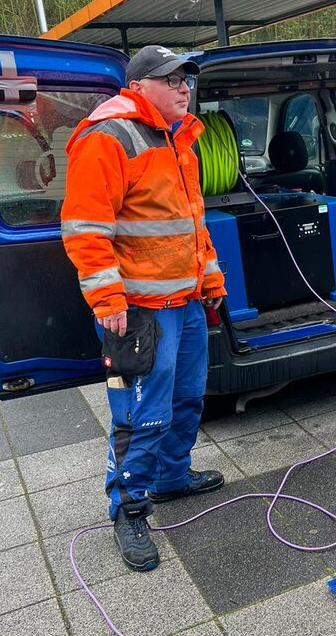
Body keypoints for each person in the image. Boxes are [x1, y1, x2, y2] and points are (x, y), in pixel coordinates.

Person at [62, 46, 228, 572]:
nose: (184, 88)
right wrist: (107, 299)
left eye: (187, 79)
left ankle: (172, 477)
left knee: (186, 397)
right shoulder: (108, 137)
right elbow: (86, 228)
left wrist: (211, 280)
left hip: (185, 301)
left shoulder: (181, 139)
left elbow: (191, 224)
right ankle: (129, 508)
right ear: (139, 87)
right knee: (141, 414)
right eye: (172, 79)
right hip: (138, 311)